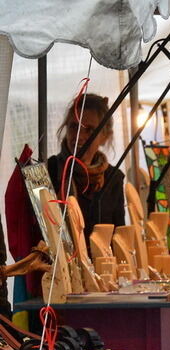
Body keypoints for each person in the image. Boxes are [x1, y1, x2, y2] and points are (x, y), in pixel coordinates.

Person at [47, 93, 125, 248]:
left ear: (105, 137)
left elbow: (119, 237)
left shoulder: (113, 178)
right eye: (74, 126)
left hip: (104, 268)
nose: (78, 136)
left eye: (89, 130)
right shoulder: (51, 170)